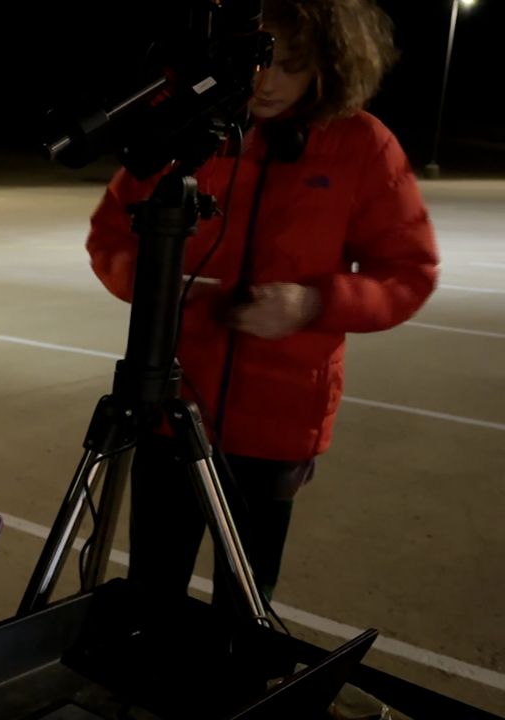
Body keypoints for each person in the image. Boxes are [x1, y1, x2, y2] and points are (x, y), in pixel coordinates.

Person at [85, 0, 438, 608]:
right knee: (151, 588)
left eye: (289, 64)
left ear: (329, 63)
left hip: (281, 420)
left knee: (246, 603)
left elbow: (409, 272)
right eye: (251, 61)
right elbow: (111, 237)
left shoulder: (361, 144)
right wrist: (158, 284)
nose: (264, 82)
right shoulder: (186, 131)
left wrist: (313, 303)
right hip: (168, 404)